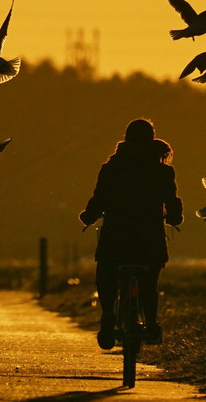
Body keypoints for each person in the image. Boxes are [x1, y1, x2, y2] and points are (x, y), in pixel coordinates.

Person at [78, 118, 183, 350]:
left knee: (106, 276)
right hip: (150, 239)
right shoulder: (163, 171)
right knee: (150, 284)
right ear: (151, 138)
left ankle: (107, 317)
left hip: (116, 238)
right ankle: (152, 324)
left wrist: (89, 215)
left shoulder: (111, 168)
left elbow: (99, 198)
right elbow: (172, 201)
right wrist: (175, 217)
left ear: (126, 138)